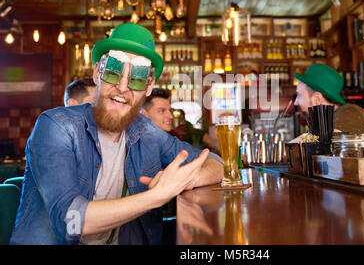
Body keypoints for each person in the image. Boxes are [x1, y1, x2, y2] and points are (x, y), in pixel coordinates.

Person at [9, 23, 224, 245]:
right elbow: (70, 222)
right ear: (97, 73)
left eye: (137, 78)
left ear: (148, 88)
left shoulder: (146, 132)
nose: (122, 87)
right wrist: (156, 196)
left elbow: (214, 162)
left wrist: (185, 179)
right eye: (113, 73)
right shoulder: (56, 126)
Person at [293, 63, 364, 135]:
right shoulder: (326, 121)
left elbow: (338, 139)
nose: (295, 102)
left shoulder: (350, 114)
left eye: (299, 95)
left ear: (317, 99)